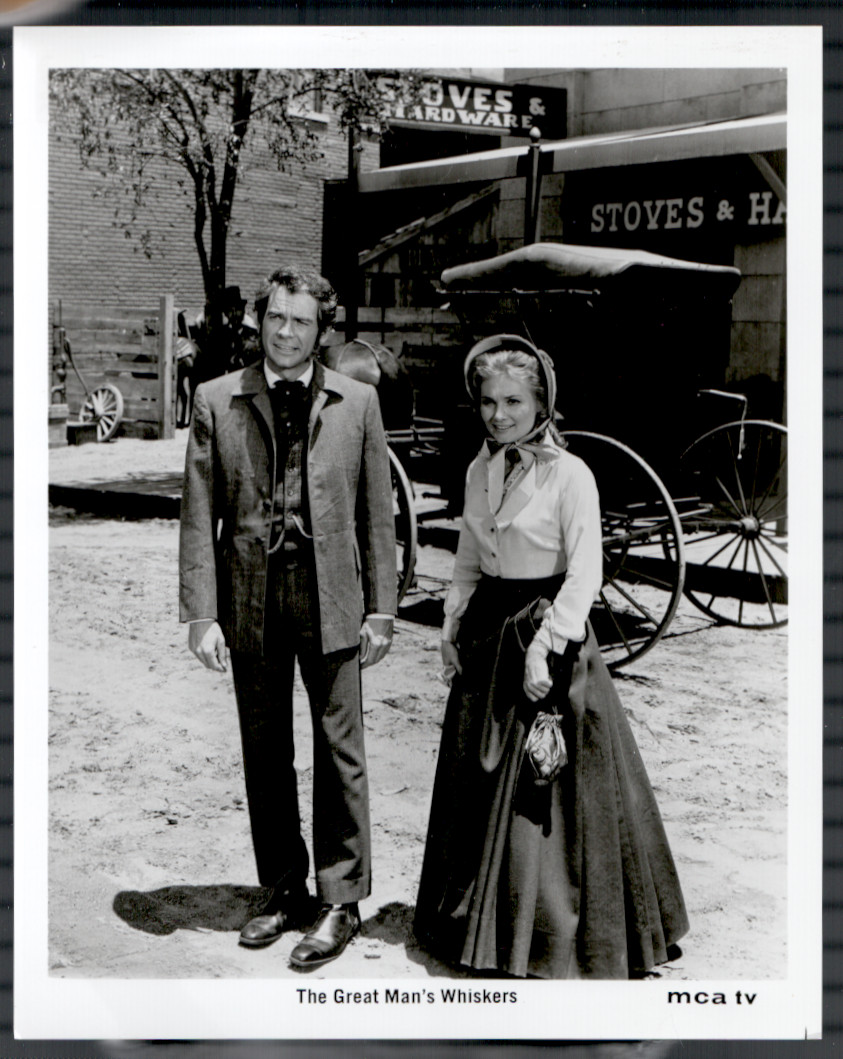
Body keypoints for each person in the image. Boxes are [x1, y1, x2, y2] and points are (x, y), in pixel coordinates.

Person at [413, 334, 688, 980]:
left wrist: (545, 646)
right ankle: (479, 927)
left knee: (545, 789)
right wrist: (450, 624)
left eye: (513, 401)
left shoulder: (570, 474)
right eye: (488, 401)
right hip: (489, 634)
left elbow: (585, 572)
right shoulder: (480, 469)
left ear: (541, 403)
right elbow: (469, 556)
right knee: (481, 780)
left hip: (548, 633)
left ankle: (549, 937)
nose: (499, 414)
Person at [179, 264, 397, 969]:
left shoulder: (358, 403)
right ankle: (280, 887)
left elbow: (377, 514)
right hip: (251, 596)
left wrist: (382, 609)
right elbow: (198, 515)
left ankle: (340, 900)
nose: (284, 332)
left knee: (340, 750)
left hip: (331, 597)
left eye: (300, 321)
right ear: (260, 320)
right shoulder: (217, 399)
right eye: (275, 317)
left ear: (320, 330)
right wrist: (201, 614)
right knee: (265, 748)